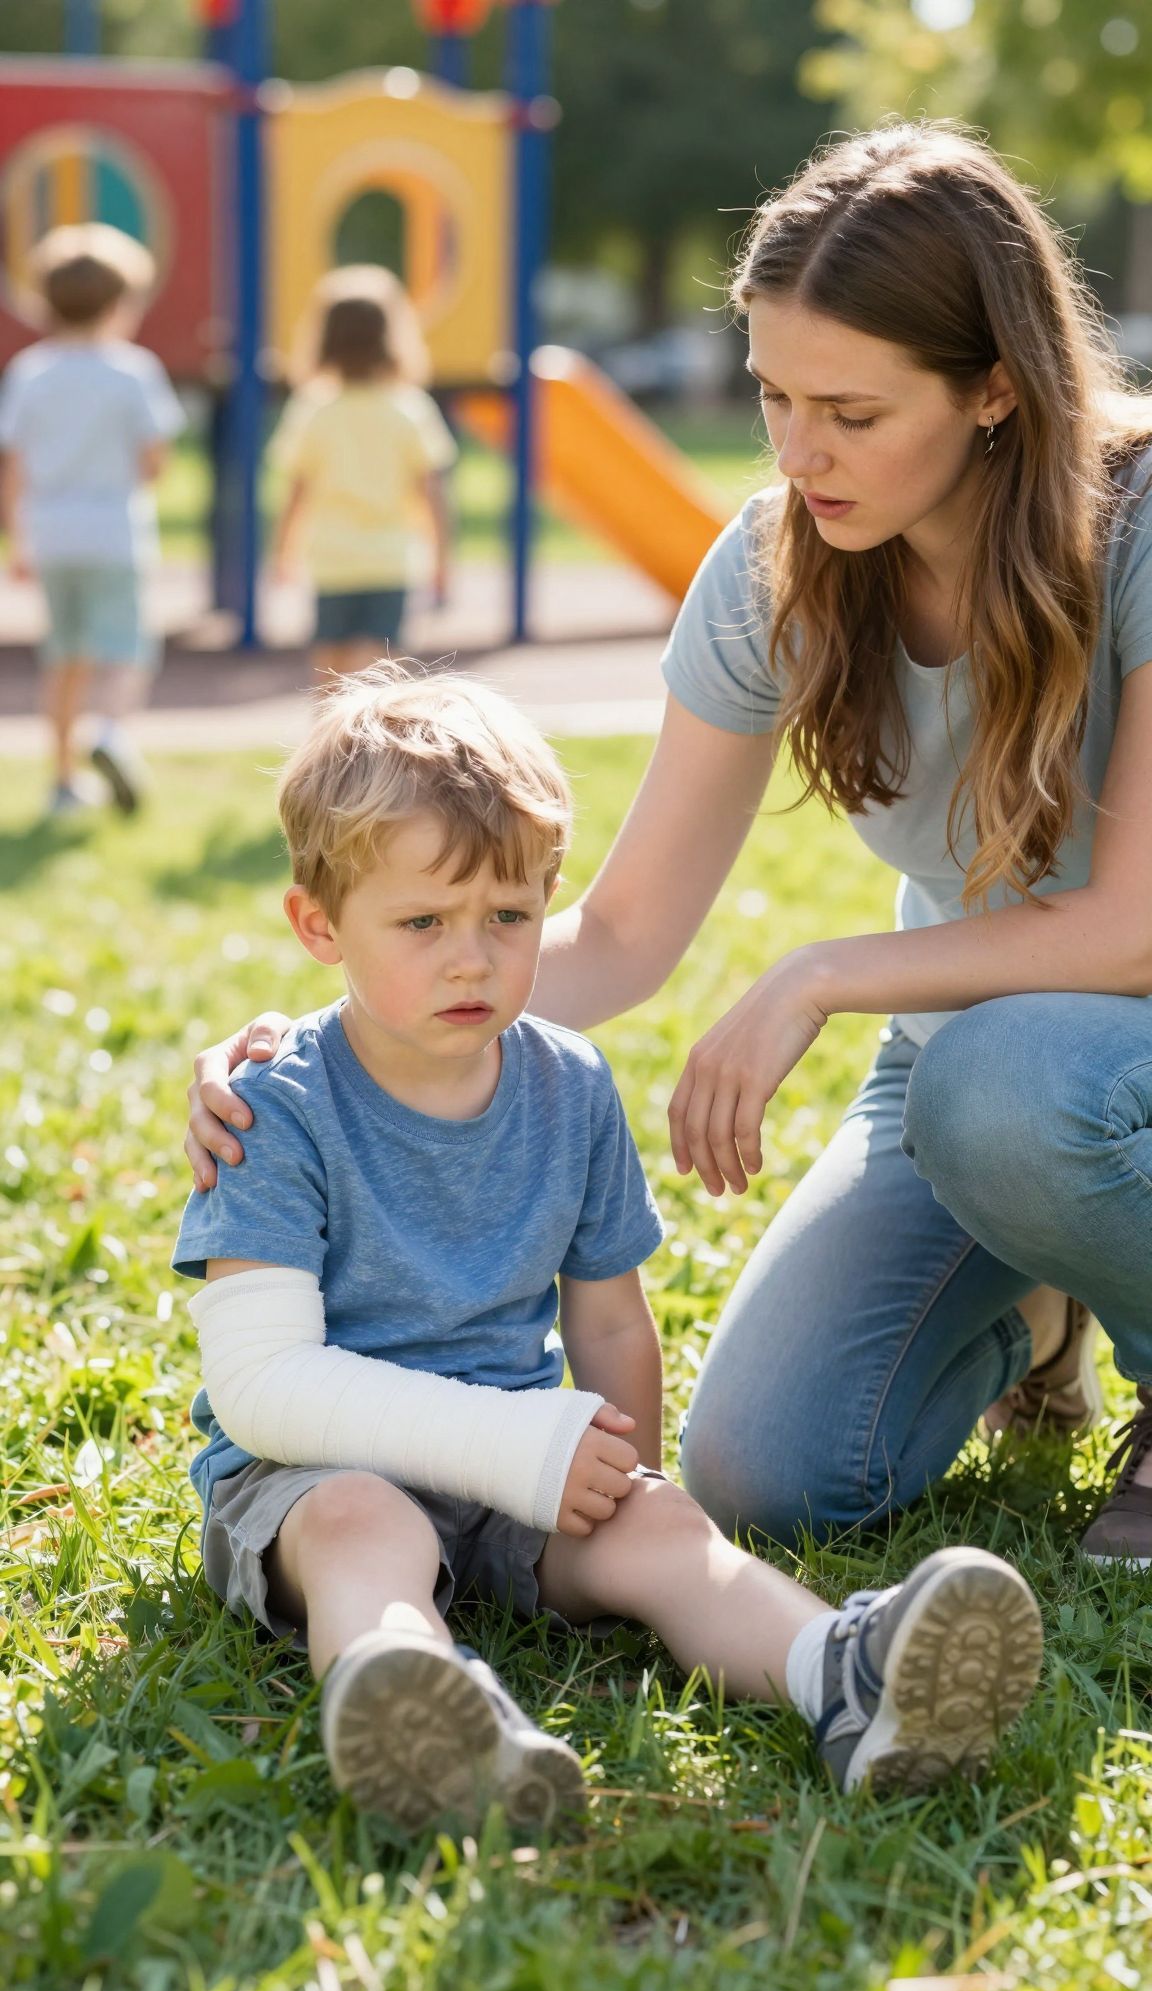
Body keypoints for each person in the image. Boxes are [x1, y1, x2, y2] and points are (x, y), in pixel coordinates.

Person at [186, 123, 1152, 1566]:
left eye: (852, 411)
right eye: (771, 395)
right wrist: (322, 1053)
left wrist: (818, 972)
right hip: (975, 1076)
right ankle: (1040, 1290)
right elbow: (626, 931)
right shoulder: (780, 565)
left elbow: (1126, 931)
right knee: (773, 1470)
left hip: (1057, 1057)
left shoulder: (1136, 525)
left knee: (1001, 1086)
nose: (797, 452)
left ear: (997, 389)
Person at [172, 671, 1041, 1832]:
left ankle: (846, 1672)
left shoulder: (567, 1081)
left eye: (510, 917)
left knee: (665, 1529)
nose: (471, 959)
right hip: (309, 1476)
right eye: (422, 923)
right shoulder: (274, 1105)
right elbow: (262, 1389)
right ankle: (423, 1711)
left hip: (518, 1470)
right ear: (319, 925)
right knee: (361, 1527)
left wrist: (627, 1476)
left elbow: (611, 1318)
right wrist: (521, 1440)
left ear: (546, 899)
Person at [0, 223, 184, 815]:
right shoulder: (133, 370)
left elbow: (14, 465)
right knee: (126, 649)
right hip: (114, 532)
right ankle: (109, 732)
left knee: (64, 657)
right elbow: (154, 460)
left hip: (50, 535)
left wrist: (17, 540)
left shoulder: (30, 371)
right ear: (120, 303)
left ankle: (61, 780)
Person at [269, 266, 455, 679]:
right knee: (382, 676)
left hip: (331, 559)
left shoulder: (313, 408)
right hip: (390, 559)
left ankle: (328, 743)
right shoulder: (409, 408)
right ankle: (376, 745)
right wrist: (442, 559)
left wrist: (282, 552)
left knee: (329, 672)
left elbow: (296, 491)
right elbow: (432, 493)